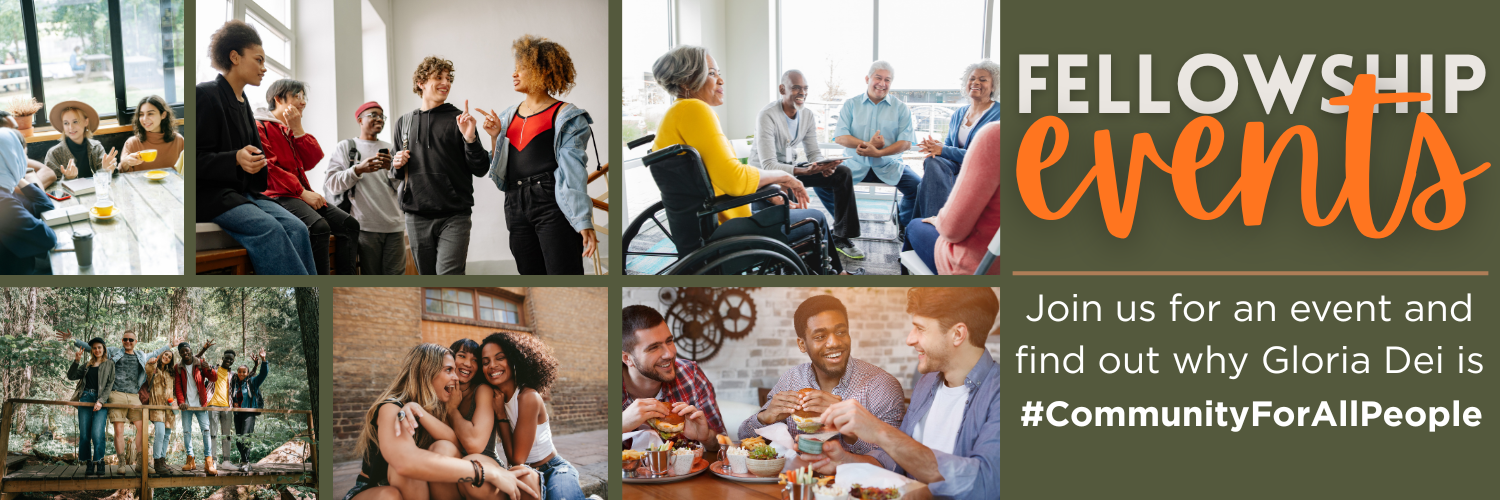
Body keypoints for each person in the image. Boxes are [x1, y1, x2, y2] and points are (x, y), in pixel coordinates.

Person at [649, 45, 843, 274]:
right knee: (815, 217)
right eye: (711, 73)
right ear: (686, 82)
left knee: (791, 210)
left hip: (702, 225)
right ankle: (836, 277)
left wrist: (768, 189)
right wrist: (783, 176)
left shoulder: (676, 113)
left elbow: (719, 177)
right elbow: (734, 179)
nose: (721, 80)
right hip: (724, 232)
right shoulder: (694, 109)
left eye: (718, 72)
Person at [798, 288, 999, 500]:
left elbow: (985, 483)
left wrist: (880, 431)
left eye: (920, 329)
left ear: (957, 334)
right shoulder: (927, 383)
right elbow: (898, 458)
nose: (910, 339)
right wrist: (847, 461)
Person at [198, 20, 317, 275]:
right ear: (234, 57)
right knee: (271, 229)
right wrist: (235, 159)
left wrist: (252, 161)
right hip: (212, 195)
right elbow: (196, 160)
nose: (264, 68)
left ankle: (311, 297)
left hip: (244, 193)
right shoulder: (206, 94)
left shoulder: (245, 104)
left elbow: (258, 163)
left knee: (297, 228)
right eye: (259, 60)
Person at [345, 343, 538, 500]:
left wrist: (420, 411)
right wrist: (488, 472)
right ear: (426, 372)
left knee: (443, 447)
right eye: (448, 370)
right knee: (390, 494)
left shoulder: (432, 407)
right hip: (376, 488)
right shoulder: (391, 407)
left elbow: (454, 445)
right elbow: (405, 463)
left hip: (413, 488)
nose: (456, 377)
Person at [478, 35, 598, 275]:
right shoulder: (506, 116)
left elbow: (574, 171)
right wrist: (494, 136)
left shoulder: (567, 116)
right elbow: (499, 170)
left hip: (550, 201)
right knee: (529, 274)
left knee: (563, 272)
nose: (514, 74)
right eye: (515, 69)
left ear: (542, 72)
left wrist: (583, 220)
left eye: (521, 69)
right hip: (514, 202)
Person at [739, 295, 905, 452]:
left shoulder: (882, 387)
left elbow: (894, 459)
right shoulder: (791, 380)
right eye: (820, 336)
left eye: (841, 332)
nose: (834, 343)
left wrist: (848, 428)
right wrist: (765, 418)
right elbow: (743, 439)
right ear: (802, 344)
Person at [391, 56, 490, 275]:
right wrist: (397, 163)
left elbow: (481, 168)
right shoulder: (404, 123)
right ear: (421, 82)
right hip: (416, 215)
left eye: (448, 78)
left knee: (449, 277)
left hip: (455, 215)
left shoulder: (460, 120)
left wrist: (470, 139)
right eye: (438, 77)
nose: (445, 83)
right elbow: (395, 171)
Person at [748, 69, 862, 259]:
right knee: (790, 184)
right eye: (796, 88)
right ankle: (799, 246)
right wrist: (805, 171)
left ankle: (842, 236)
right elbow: (768, 165)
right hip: (766, 174)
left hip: (791, 168)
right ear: (782, 89)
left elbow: (813, 152)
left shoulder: (807, 115)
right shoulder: (767, 115)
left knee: (842, 173)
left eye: (805, 88)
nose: (802, 93)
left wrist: (824, 165)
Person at [256, 78, 361, 275]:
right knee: (318, 227)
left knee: (350, 225)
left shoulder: (288, 129)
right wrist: (302, 192)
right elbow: (268, 168)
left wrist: (298, 129)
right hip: (277, 195)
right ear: (278, 99)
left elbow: (312, 160)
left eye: (304, 97)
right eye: (297, 96)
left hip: (299, 193)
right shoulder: (259, 125)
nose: (303, 102)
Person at [483, 331, 584, 499]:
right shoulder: (496, 398)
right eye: (485, 362)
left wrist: (501, 414)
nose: (492, 365)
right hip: (526, 471)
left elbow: (516, 459)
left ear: (515, 359)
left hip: (553, 468)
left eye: (500, 358)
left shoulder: (527, 397)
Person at [829, 61, 918, 239]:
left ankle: (903, 221)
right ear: (867, 78)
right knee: (823, 183)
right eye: (878, 77)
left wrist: (879, 153)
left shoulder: (901, 108)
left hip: (889, 165)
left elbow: (906, 142)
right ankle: (843, 225)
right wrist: (867, 145)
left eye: (887, 80)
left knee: (919, 187)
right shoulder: (851, 104)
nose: (882, 83)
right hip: (853, 166)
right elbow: (840, 137)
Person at [620, 305, 723, 454]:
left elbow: (724, 448)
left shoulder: (690, 374)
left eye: (669, 341)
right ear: (626, 358)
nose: (669, 354)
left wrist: (706, 437)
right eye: (654, 347)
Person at [68, 330, 175, 469]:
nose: (128, 342)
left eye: (131, 340)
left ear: (135, 342)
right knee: (119, 430)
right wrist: (72, 339)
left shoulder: (141, 355)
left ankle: (141, 463)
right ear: (122, 340)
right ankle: (122, 463)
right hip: (116, 394)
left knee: (142, 428)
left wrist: (171, 345)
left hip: (133, 396)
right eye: (125, 339)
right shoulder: (113, 352)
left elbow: (156, 352)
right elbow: (93, 348)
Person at [907, 123, 999, 275]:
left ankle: (919, 294)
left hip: (979, 267)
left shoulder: (995, 134)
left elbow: (951, 232)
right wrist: (940, 148)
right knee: (932, 164)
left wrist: (939, 221)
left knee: (914, 225)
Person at [912, 61, 999, 220]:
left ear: (993, 87)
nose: (976, 82)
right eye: (972, 78)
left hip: (980, 172)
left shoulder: (999, 115)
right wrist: (935, 148)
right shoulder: (959, 113)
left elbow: (985, 157)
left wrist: (943, 150)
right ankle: (934, 224)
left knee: (924, 186)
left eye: (983, 79)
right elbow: (949, 147)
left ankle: (928, 226)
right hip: (955, 169)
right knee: (932, 162)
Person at [325, 101, 404, 275]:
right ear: (360, 120)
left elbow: (403, 188)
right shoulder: (346, 147)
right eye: (373, 115)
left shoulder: (391, 149)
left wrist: (391, 170)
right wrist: (358, 169)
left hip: (395, 227)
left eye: (382, 116)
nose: (379, 119)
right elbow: (331, 184)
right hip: (365, 228)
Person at [0, 129, 56, 275]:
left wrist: (17, 176)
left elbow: (44, 206)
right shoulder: (3, 202)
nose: (24, 162)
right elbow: (48, 238)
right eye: (21, 156)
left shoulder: (6, 190)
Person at [66, 337, 114, 476]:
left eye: (99, 347)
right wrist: (76, 360)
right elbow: (71, 376)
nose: (97, 350)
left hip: (100, 400)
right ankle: (88, 462)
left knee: (97, 433)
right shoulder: (87, 364)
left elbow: (110, 384)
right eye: (94, 348)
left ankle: (99, 461)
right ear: (92, 350)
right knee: (85, 434)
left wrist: (101, 401)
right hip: (85, 398)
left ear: (104, 348)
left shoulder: (109, 364)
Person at [445, 339, 497, 458]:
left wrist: (452, 410)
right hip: (452, 460)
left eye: (474, 360)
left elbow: (474, 445)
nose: (468, 364)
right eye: (462, 356)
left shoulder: (483, 390)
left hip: (484, 461)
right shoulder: (441, 392)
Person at [174, 341, 220, 475]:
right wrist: (181, 402)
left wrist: (210, 369)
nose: (185, 353)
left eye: (186, 350)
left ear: (190, 350)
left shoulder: (200, 363)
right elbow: (178, 386)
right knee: (187, 432)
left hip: (200, 404)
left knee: (206, 431)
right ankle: (190, 460)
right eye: (182, 351)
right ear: (180, 353)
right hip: (186, 406)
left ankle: (208, 462)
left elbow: (214, 378)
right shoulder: (178, 367)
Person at [43, 101, 119, 181]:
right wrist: (68, 178)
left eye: (75, 122)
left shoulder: (97, 148)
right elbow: (52, 188)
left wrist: (107, 170)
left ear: (86, 122)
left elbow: (106, 180)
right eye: (66, 123)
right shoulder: (54, 154)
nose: (70, 127)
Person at [119, 95, 186, 172]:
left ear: (163, 115)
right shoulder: (132, 143)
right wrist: (125, 163)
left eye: (150, 113)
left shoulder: (179, 140)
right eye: (141, 114)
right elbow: (121, 174)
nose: (144, 119)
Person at [202, 341, 240, 471]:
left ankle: (226, 461)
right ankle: (213, 461)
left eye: (231, 359)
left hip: (227, 407)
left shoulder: (233, 375)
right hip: (212, 405)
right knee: (212, 434)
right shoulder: (213, 369)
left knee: (226, 435)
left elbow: (247, 378)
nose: (229, 360)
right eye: (227, 358)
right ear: (222, 358)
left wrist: (258, 365)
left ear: (233, 361)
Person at [230, 348, 269, 469]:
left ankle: (246, 463)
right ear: (237, 372)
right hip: (237, 414)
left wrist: (263, 360)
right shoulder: (234, 383)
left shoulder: (253, 382)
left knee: (245, 437)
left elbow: (263, 374)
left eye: (244, 372)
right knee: (238, 439)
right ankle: (243, 461)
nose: (241, 374)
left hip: (249, 413)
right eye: (240, 372)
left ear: (248, 373)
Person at [144, 350, 178, 475]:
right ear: (161, 355)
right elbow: (147, 371)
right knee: (160, 433)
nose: (166, 357)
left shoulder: (171, 373)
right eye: (165, 355)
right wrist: (151, 362)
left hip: (169, 408)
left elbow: (173, 391)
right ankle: (157, 462)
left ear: (171, 360)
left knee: (167, 435)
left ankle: (162, 461)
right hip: (156, 406)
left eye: (169, 357)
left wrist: (174, 401)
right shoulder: (153, 368)